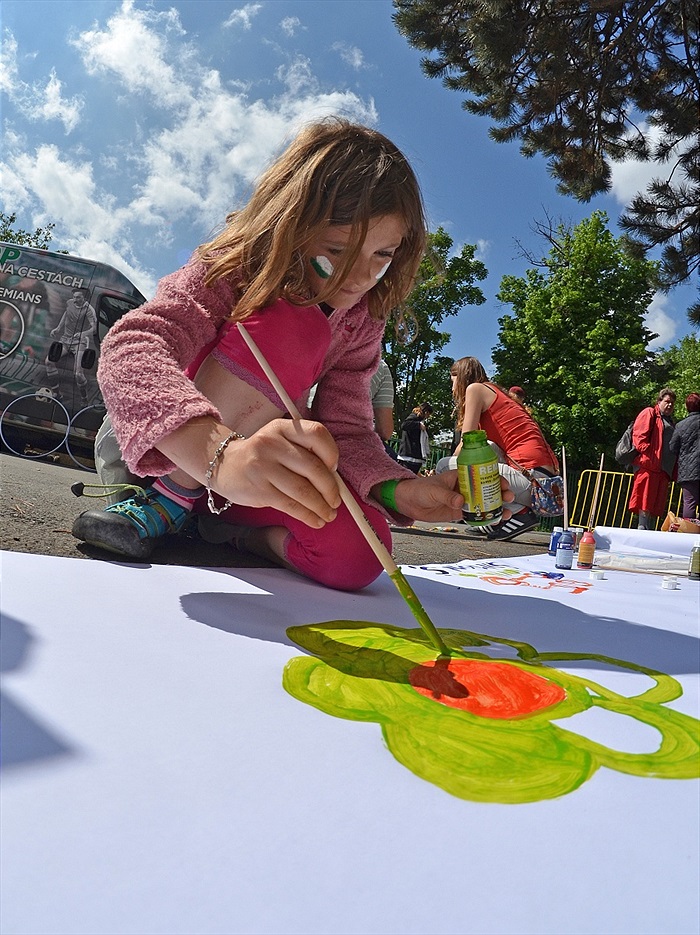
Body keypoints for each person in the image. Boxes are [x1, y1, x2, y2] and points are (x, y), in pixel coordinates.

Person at [72, 119, 511, 591]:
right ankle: (170, 498)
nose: (361, 277)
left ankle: (227, 531)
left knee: (362, 553)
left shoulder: (362, 320)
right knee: (293, 330)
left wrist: (400, 490)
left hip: (250, 480)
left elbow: (346, 428)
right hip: (171, 453)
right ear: (293, 225)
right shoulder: (232, 266)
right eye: (338, 249)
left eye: (383, 255)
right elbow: (132, 345)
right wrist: (219, 455)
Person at [435, 357, 559, 541]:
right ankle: (493, 521)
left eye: (453, 383)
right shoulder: (497, 394)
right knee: (488, 448)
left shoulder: (475, 389)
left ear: (461, 379)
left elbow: (467, 441)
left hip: (530, 481)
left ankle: (518, 513)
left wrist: (436, 478)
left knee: (445, 467)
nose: (453, 390)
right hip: (543, 481)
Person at [628, 388, 677, 530]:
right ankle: (642, 527)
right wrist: (649, 454)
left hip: (661, 469)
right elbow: (639, 437)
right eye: (667, 401)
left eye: (672, 403)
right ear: (659, 401)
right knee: (644, 499)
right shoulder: (650, 413)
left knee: (655, 502)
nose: (669, 405)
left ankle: (647, 528)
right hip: (649, 465)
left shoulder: (669, 421)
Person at [44, 288, 97, 404]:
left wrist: (83, 334)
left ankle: (84, 399)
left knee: (78, 374)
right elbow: (66, 314)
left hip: (79, 343)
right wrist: (58, 328)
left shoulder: (89, 310)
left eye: (78, 297)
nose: (75, 299)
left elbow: (94, 328)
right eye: (74, 296)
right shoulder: (70, 303)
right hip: (65, 340)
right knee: (49, 362)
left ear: (85, 298)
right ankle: (57, 393)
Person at [668, 392, 699, 520]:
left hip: (688, 471)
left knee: (689, 503)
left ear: (687, 407)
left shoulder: (681, 425)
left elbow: (672, 447)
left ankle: (689, 534)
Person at [370, 358, 398, 460]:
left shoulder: (325, 351)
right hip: (350, 440)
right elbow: (384, 431)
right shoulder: (380, 366)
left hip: (318, 435)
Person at [397, 402, 433, 473]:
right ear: (426, 412)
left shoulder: (418, 419)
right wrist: (418, 425)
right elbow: (404, 425)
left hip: (412, 456)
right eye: (428, 414)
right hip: (408, 455)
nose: (428, 417)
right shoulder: (414, 417)